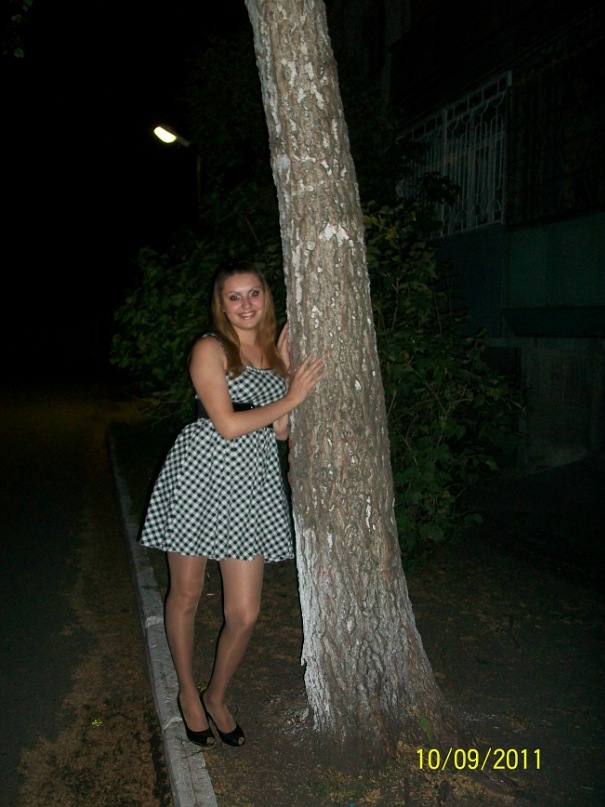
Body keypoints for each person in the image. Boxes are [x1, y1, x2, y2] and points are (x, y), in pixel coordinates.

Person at [139, 261, 324, 748]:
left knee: (244, 612)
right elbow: (224, 423)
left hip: (250, 486)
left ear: (266, 297)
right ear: (221, 304)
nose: (245, 305)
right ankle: (188, 693)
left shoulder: (273, 353)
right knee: (187, 594)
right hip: (200, 476)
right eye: (234, 296)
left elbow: (279, 431)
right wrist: (293, 396)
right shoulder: (211, 348)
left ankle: (216, 695)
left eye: (253, 293)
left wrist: (288, 375)